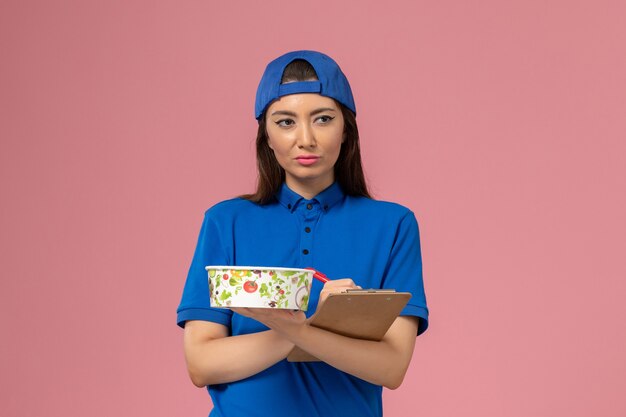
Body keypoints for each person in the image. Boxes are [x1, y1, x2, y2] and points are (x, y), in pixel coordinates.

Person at [177, 50, 429, 417]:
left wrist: (293, 331)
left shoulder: (392, 226)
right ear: (266, 135)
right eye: (285, 122)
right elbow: (202, 363)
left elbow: (390, 367)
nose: (305, 138)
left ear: (346, 130)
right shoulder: (225, 222)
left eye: (323, 119)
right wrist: (312, 329)